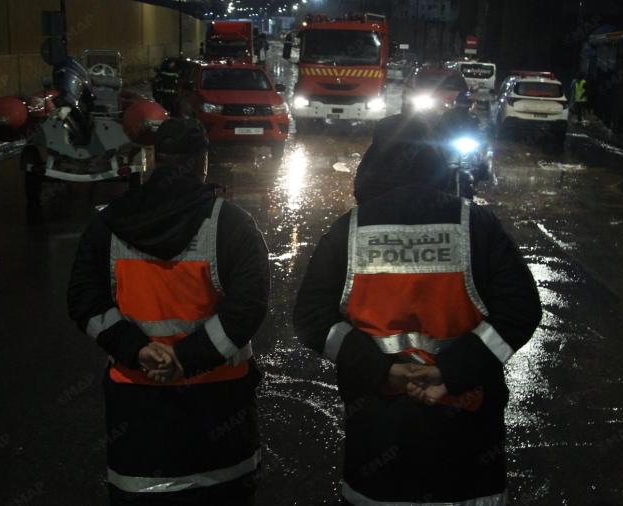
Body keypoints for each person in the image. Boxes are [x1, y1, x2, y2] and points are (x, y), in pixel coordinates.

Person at [293, 114, 542, 505]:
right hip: (467, 444)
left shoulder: (348, 231)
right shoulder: (477, 226)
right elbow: (520, 311)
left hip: (377, 442)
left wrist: (383, 371)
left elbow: (311, 319)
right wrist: (451, 371)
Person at [67, 118, 270, 506]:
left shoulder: (108, 223)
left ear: (155, 159)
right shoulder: (231, 225)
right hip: (220, 417)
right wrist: (187, 359)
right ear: (202, 163)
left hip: (137, 417)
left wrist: (137, 348)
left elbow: (83, 299)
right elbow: (248, 308)